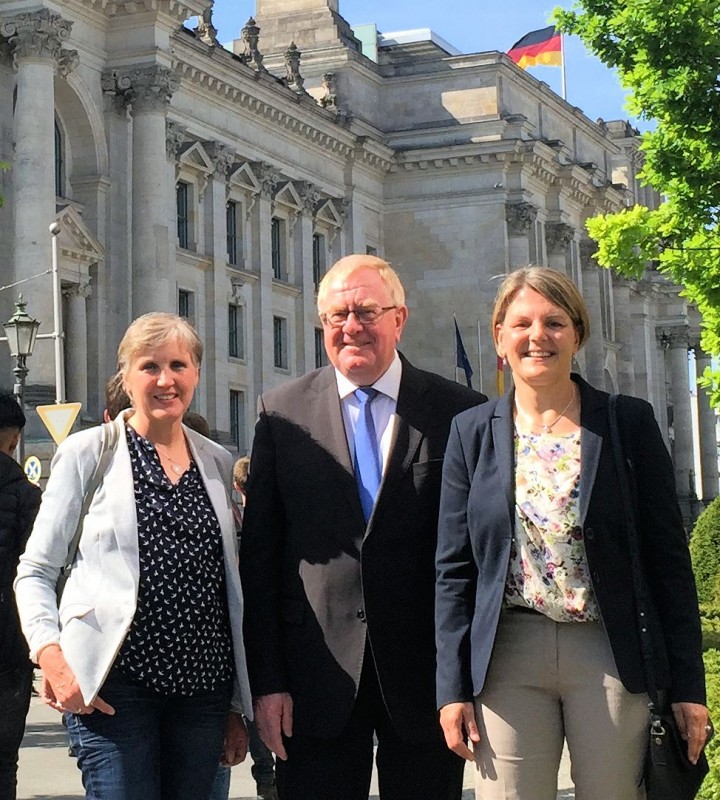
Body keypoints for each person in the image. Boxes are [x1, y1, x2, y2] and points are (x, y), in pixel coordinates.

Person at [435, 266, 709, 800]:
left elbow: (667, 561)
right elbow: (453, 571)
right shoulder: (470, 432)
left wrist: (688, 686)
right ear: (499, 336)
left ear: (577, 334)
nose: (538, 336)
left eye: (555, 322)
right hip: (507, 653)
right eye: (522, 324)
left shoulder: (626, 422)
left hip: (609, 648)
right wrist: (451, 689)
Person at [240, 254, 485, 800]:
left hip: (429, 680)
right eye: (337, 315)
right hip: (315, 677)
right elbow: (260, 559)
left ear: (399, 318)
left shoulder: (459, 412)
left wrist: (466, 678)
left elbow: (476, 557)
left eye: (366, 311)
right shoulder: (282, 414)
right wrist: (269, 683)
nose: (351, 327)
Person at [15, 312, 252, 800]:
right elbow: (35, 570)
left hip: (204, 692)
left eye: (178, 365)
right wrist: (51, 656)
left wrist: (235, 703)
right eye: (149, 367)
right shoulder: (89, 453)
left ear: (196, 374)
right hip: (115, 689)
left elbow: (226, 588)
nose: (166, 380)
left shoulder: (216, 460)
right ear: (126, 376)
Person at [0, 391, 41, 799]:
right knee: (4, 760)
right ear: (14, 439)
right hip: (10, 649)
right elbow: (40, 574)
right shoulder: (27, 496)